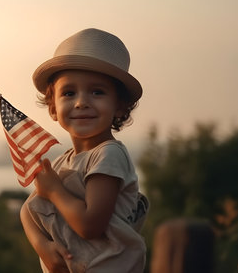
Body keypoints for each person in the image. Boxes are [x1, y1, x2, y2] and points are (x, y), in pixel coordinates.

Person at [20, 28, 149, 273]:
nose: (81, 102)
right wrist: (42, 246)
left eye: (97, 92)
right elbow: (27, 211)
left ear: (120, 106)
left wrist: (55, 191)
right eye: (69, 93)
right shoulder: (63, 163)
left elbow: (90, 225)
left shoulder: (108, 155)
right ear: (53, 109)